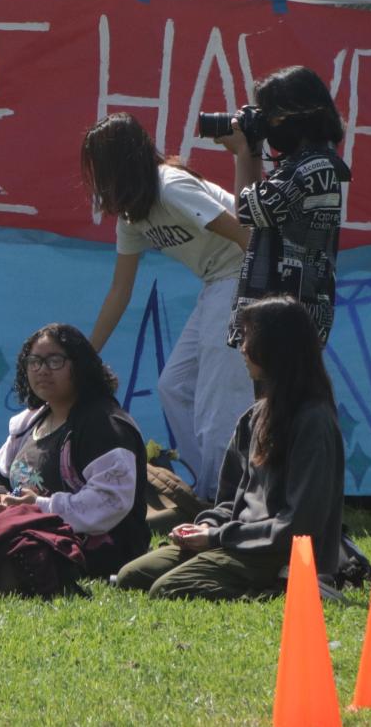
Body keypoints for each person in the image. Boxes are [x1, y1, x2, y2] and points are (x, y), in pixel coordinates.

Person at [116, 296, 345, 600]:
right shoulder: (253, 417)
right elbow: (229, 499)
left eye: (249, 337)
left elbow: (300, 524)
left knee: (170, 588)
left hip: (277, 552)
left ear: (277, 347)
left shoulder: (313, 421)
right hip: (235, 541)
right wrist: (205, 527)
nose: (242, 348)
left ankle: (287, 587)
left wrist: (216, 537)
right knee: (131, 576)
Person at [81, 113, 253, 497]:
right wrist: (86, 355)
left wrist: (256, 304)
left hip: (240, 277)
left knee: (218, 399)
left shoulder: (170, 187)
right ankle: (205, 489)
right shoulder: (133, 214)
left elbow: (248, 236)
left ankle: (223, 499)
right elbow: (119, 291)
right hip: (216, 283)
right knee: (173, 386)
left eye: (100, 167)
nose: (97, 180)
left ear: (121, 163)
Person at [0, 324, 147, 578]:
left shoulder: (104, 424)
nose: (42, 369)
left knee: (8, 552)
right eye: (34, 361)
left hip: (73, 544)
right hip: (16, 524)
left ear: (80, 365)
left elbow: (110, 501)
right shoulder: (30, 422)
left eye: (55, 360)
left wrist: (37, 506)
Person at [220, 65, 350, 348]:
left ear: (298, 114)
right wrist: (250, 150)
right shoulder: (309, 164)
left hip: (289, 316)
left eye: (271, 116)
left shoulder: (313, 168)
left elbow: (248, 209)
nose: (267, 124)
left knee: (281, 394)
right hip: (282, 312)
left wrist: (245, 152)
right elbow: (257, 213)